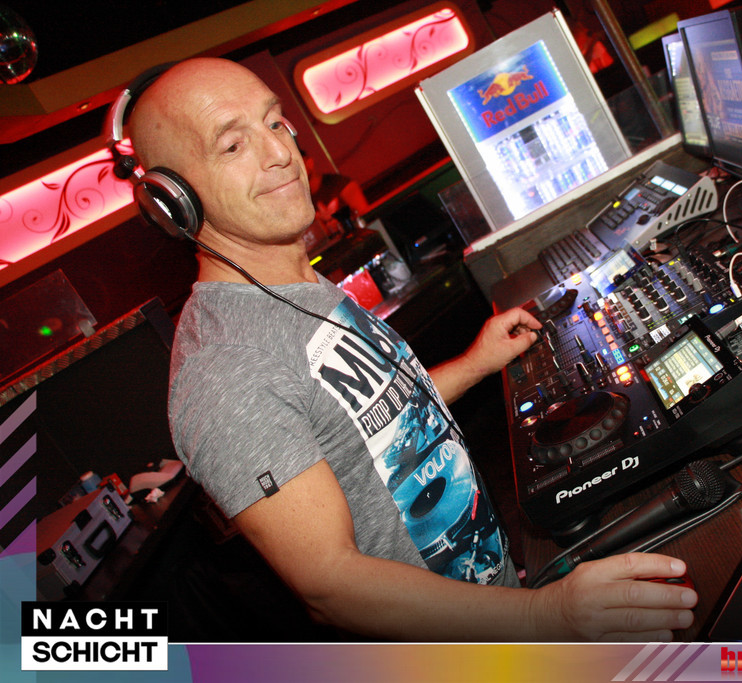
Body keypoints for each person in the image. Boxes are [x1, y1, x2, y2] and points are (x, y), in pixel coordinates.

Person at [128, 57, 698, 641]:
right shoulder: (221, 370)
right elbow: (329, 585)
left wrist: (474, 364)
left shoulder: (295, 283)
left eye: (275, 123)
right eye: (232, 145)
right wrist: (545, 616)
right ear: (174, 202)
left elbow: (373, 426)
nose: (279, 153)